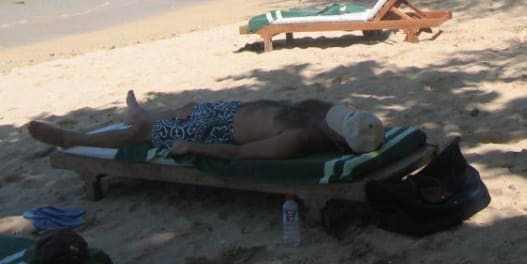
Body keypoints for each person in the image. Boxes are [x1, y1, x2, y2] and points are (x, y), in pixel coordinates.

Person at [27, 91, 385, 160]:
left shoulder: (297, 140)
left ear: (340, 141)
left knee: (143, 136)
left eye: (342, 122)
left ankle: (69, 138)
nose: (338, 115)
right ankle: (142, 113)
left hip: (216, 132)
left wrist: (193, 148)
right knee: (188, 107)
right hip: (228, 110)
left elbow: (240, 153)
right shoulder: (327, 113)